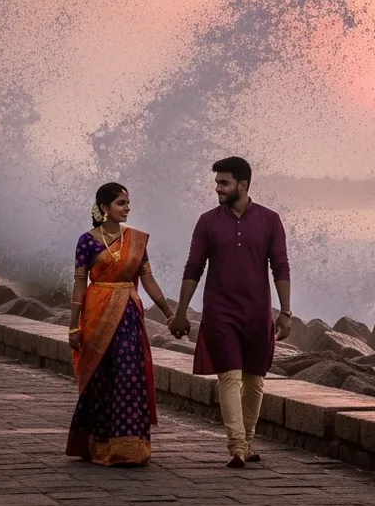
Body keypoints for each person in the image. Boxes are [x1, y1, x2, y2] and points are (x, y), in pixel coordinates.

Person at [172, 156, 293, 468]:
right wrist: (181, 311)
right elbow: (193, 268)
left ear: (243, 184)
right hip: (219, 312)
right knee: (229, 376)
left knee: (254, 381)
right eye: (216, 183)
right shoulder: (207, 222)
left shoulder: (269, 220)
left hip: (256, 313)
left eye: (223, 183)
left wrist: (286, 312)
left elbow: (280, 266)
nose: (218, 189)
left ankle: (247, 440)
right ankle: (237, 446)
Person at [66, 182, 176, 466]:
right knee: (102, 377)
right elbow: (80, 284)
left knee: (130, 374)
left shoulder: (136, 240)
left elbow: (148, 279)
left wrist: (168, 313)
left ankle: (131, 449)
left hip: (127, 313)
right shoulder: (87, 241)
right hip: (96, 312)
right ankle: (100, 447)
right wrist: (73, 325)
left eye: (128, 203)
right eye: (121, 203)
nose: (127, 208)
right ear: (105, 207)